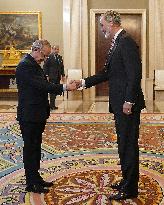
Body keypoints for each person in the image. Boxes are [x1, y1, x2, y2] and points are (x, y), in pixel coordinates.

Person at [75, 10, 145, 200]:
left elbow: (134, 74)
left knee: (128, 145)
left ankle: (130, 189)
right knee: (123, 144)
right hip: (120, 103)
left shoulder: (126, 42)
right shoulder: (117, 42)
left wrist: (129, 101)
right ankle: (126, 181)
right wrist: (83, 82)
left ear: (111, 22)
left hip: (126, 105)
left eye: (102, 24)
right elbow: (107, 73)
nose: (101, 27)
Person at [15, 39, 76, 194]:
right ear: (36, 49)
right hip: (29, 115)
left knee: (36, 147)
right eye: (44, 55)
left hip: (37, 114)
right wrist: (65, 87)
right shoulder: (25, 65)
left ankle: (36, 178)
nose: (45, 59)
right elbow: (42, 86)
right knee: (30, 149)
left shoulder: (33, 64)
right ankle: (31, 183)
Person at [43, 45, 65, 110]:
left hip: (58, 77)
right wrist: (46, 75)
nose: (56, 50)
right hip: (51, 77)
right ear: (52, 49)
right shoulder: (49, 57)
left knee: (55, 91)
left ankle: (53, 105)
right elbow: (45, 66)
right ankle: (51, 106)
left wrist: (63, 75)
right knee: (52, 91)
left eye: (57, 49)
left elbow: (62, 67)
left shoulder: (60, 57)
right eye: (55, 49)